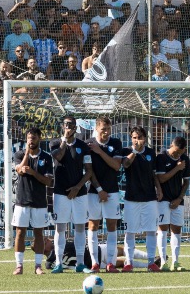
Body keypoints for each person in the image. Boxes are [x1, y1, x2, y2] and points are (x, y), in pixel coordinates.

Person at [46, 116, 92, 274]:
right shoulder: (54, 143)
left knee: (80, 227)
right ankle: (59, 263)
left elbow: (89, 170)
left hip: (80, 193)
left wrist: (78, 187)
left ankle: (80, 263)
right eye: (66, 125)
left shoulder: (82, 146)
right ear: (62, 126)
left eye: (71, 125)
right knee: (60, 228)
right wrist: (64, 140)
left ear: (76, 127)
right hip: (60, 192)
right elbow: (58, 156)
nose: (69, 127)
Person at [11, 126, 53, 275]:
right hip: (22, 200)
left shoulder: (46, 158)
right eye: (29, 138)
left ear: (39, 139)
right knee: (20, 233)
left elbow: (48, 182)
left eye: (34, 138)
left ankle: (37, 266)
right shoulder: (19, 154)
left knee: (39, 234)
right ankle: (19, 265)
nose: (31, 141)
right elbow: (20, 170)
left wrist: (33, 173)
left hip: (39, 201)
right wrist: (27, 155)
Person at [119, 126, 162, 273]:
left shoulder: (150, 153)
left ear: (145, 137)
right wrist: (135, 152)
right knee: (130, 232)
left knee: (151, 230)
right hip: (131, 198)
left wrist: (159, 189)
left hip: (149, 197)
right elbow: (125, 164)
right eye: (134, 137)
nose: (137, 140)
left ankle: (151, 262)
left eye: (140, 137)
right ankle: (128, 262)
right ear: (131, 138)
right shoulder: (126, 151)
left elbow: (154, 174)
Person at [85, 116, 124, 273]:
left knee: (112, 226)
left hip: (113, 192)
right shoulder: (88, 144)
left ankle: (111, 263)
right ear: (96, 128)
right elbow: (89, 171)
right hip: (94, 192)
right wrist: (100, 189)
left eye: (108, 129)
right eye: (103, 129)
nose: (106, 132)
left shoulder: (116, 143)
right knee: (93, 225)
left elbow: (116, 166)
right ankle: (94, 263)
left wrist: (99, 151)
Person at [153, 135, 190, 271]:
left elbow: (186, 181)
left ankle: (175, 262)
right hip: (162, 199)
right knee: (162, 229)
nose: (177, 155)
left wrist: (179, 198)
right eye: (175, 152)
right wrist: (177, 168)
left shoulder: (185, 159)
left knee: (176, 230)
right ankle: (163, 261)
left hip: (177, 199)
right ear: (171, 145)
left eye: (180, 153)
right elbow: (161, 178)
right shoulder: (161, 158)